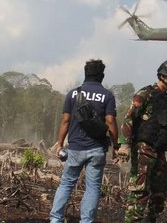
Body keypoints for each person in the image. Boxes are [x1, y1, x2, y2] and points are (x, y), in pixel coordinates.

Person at [117, 59, 167, 223]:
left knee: (160, 191)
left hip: (158, 151)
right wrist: (124, 144)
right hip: (144, 150)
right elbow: (129, 118)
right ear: (166, 77)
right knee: (139, 191)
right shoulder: (145, 94)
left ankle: (151, 219)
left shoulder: (164, 99)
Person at [50, 59, 119, 223]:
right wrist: (116, 146)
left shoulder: (73, 94)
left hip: (75, 148)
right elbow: (110, 121)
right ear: (102, 75)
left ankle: (55, 219)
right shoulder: (107, 95)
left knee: (66, 184)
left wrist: (60, 144)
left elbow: (65, 121)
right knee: (93, 188)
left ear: (85, 73)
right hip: (97, 149)